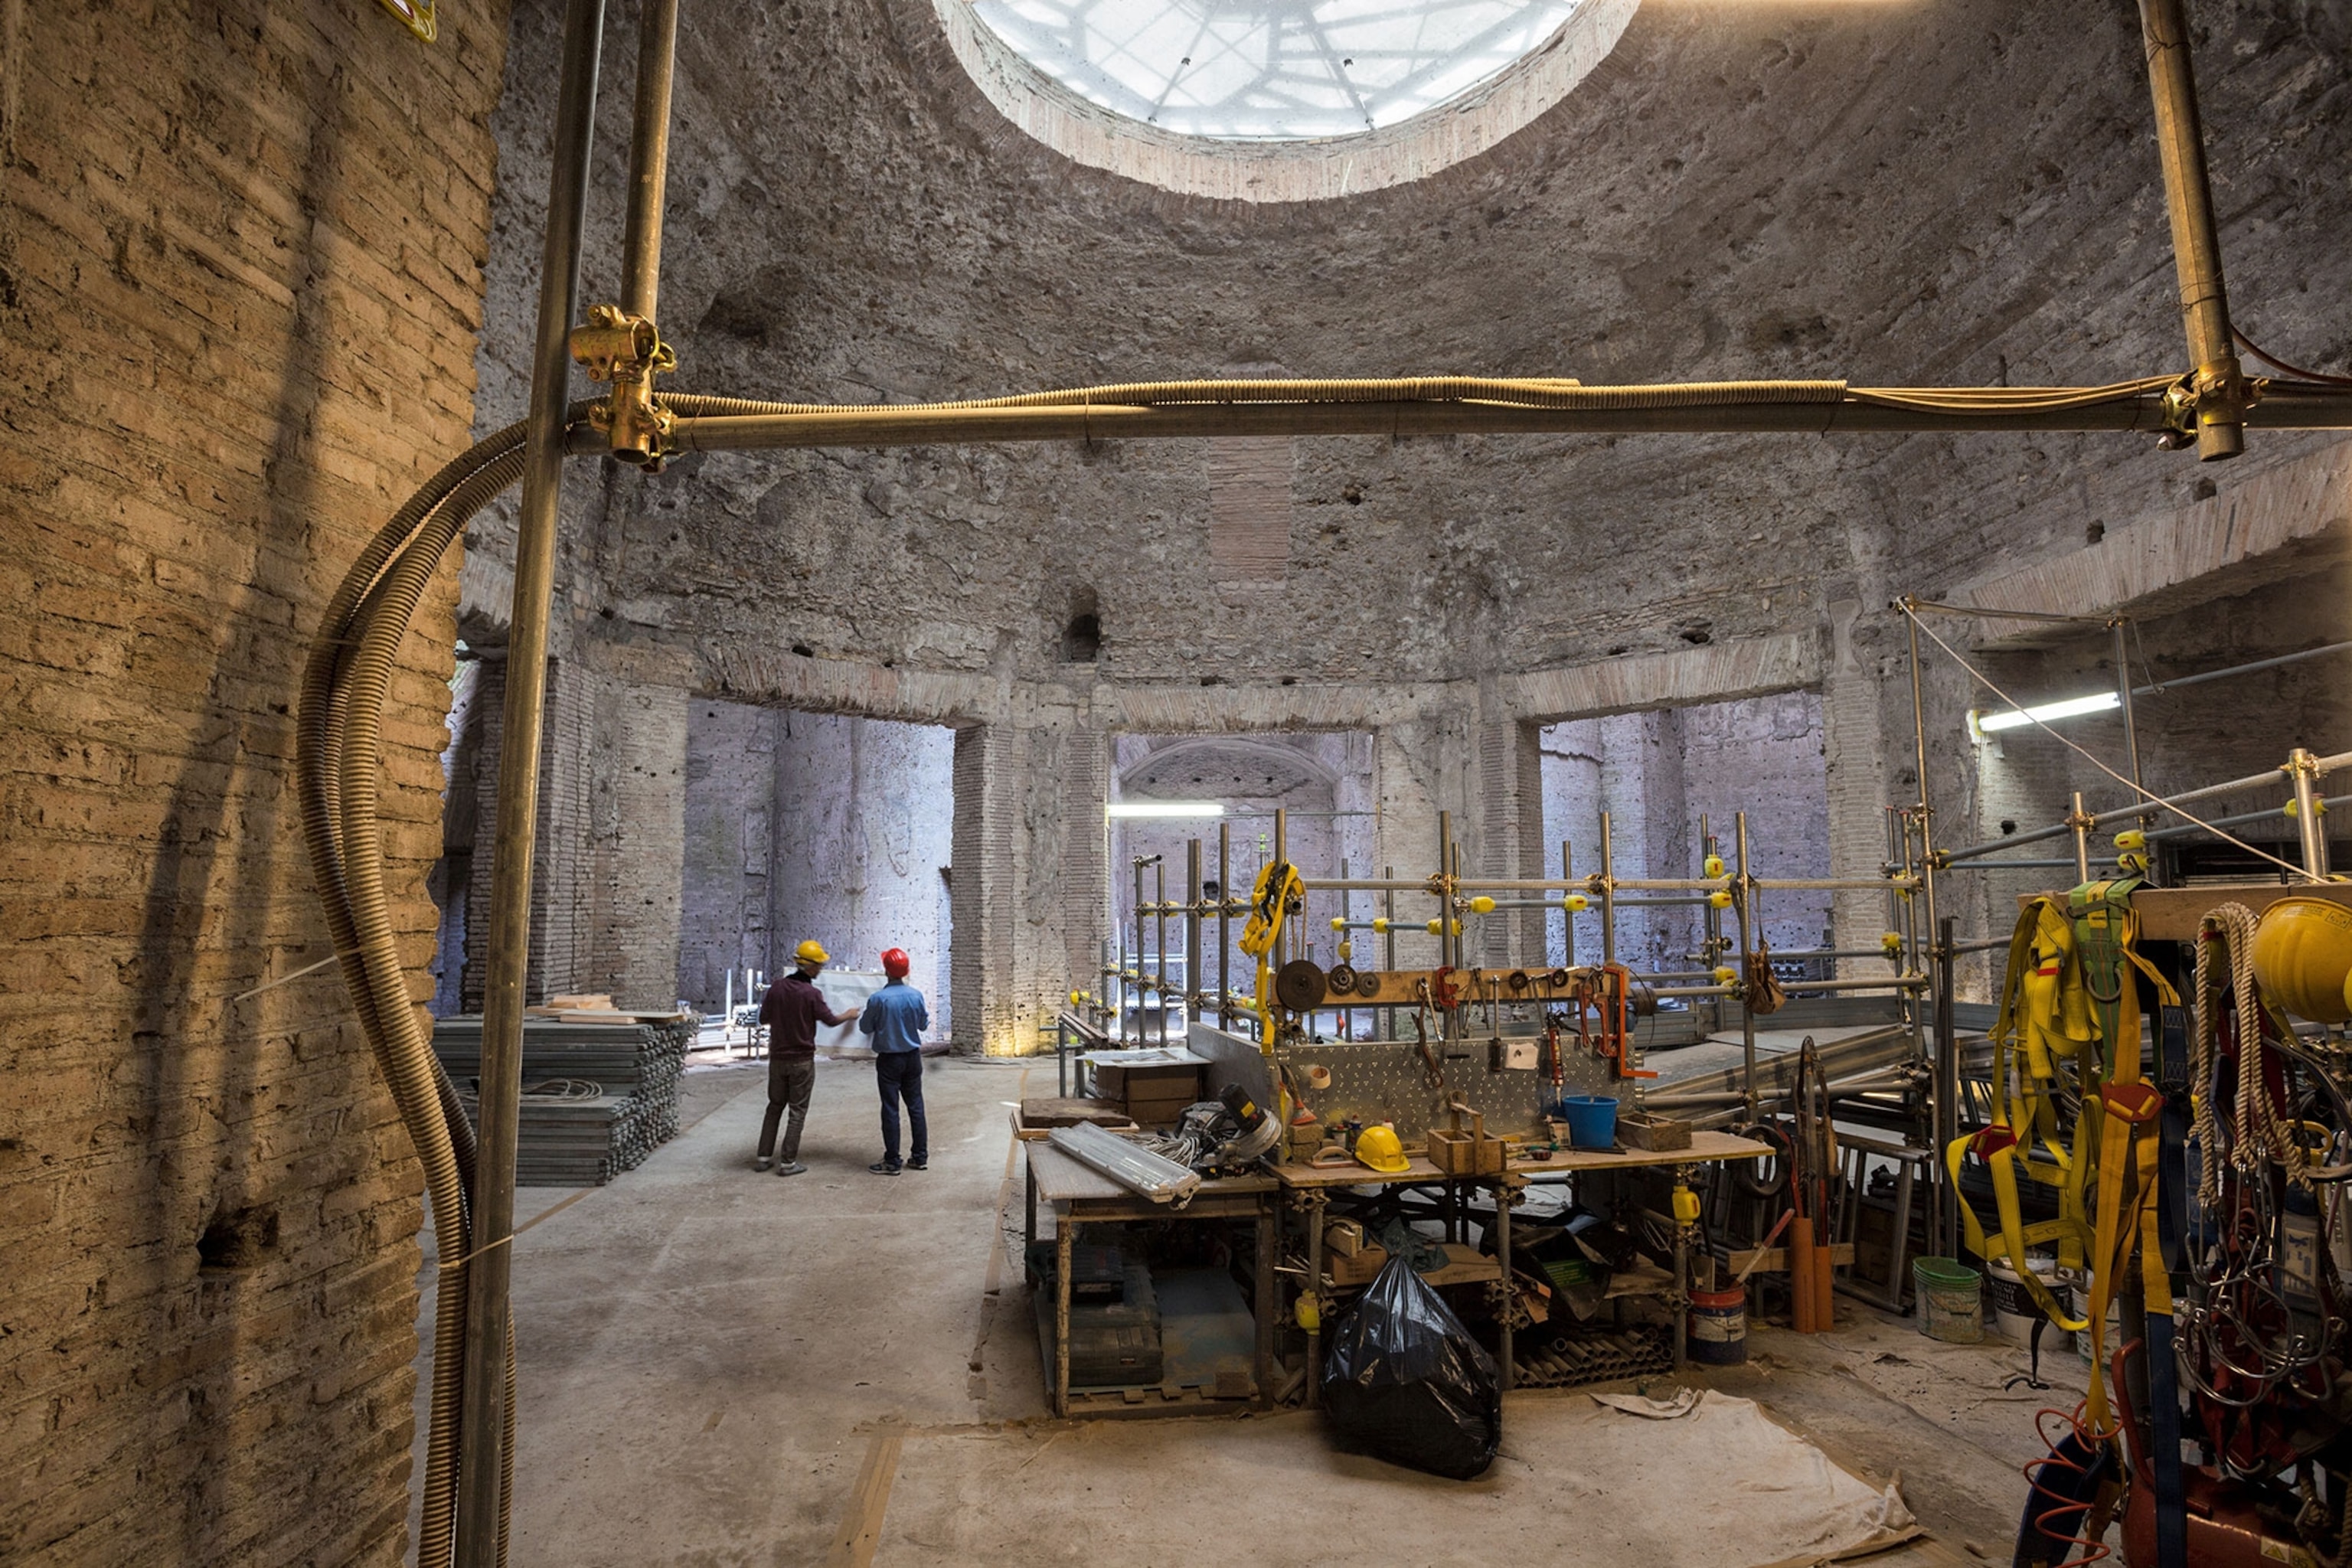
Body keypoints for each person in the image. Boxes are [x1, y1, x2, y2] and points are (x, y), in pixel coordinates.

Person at [755, 939, 859, 1176]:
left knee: (774, 1107)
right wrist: (849, 1014)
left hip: (778, 1060)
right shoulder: (811, 993)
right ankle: (788, 1163)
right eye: (819, 965)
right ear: (809, 966)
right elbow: (831, 1021)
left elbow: (763, 1018)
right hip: (801, 1061)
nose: (821, 969)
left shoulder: (777, 988)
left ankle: (763, 1157)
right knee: (797, 1111)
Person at [858, 947, 930, 1174]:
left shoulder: (878, 999)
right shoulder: (915, 995)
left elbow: (865, 1027)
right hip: (912, 1058)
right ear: (906, 970)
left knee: (891, 1109)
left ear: (886, 971)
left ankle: (892, 1161)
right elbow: (923, 1025)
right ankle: (919, 1157)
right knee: (916, 1106)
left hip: (889, 1060)